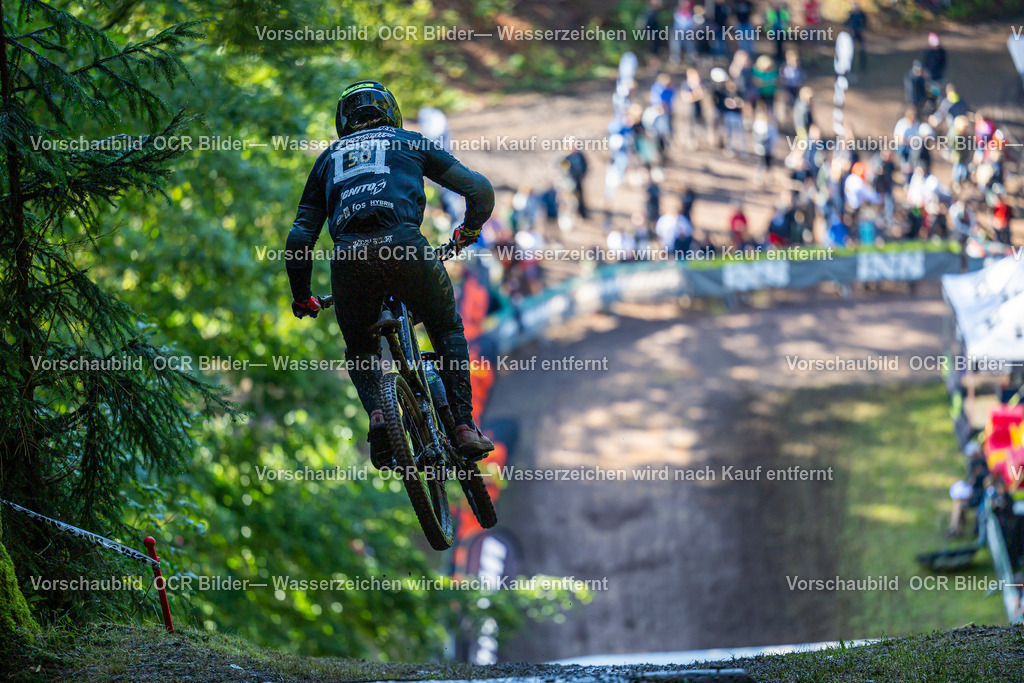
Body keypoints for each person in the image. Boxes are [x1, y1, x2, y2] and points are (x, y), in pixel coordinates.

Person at [286, 80, 495, 469]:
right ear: (391, 112)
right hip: (407, 248)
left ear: (342, 122)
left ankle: (380, 417)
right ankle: (464, 427)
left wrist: (302, 295)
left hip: (349, 262)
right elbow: (479, 188)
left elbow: (299, 237)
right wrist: (468, 231)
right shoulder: (409, 141)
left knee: (361, 349)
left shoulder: (328, 160)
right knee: (446, 329)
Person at [844, 1, 868, 71]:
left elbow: (864, 23)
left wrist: (863, 30)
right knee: (851, 50)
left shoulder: (861, 14)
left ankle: (863, 66)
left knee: (861, 50)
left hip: (859, 33)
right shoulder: (851, 14)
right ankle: (851, 67)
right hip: (853, 33)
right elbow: (847, 23)